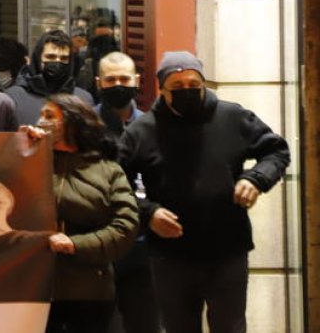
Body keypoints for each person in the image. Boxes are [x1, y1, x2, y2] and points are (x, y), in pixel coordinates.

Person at [118, 51, 289, 333]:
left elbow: (277, 151)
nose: (187, 92)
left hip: (227, 250)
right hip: (170, 256)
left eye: (193, 86)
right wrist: (148, 212)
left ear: (203, 84)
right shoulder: (141, 131)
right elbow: (116, 183)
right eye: (178, 88)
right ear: (163, 90)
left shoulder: (233, 117)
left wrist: (256, 179)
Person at [27, 94, 139, 333]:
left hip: (89, 293)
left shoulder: (108, 171)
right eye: (41, 115)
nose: (40, 120)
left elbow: (125, 228)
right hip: (37, 291)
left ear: (73, 123)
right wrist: (19, 148)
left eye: (50, 116)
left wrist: (75, 245)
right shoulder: (33, 162)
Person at [91, 52, 160, 333]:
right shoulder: (85, 126)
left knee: (145, 322)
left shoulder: (153, 125)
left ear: (137, 81)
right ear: (98, 82)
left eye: (124, 79)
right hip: (100, 243)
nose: (118, 84)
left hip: (145, 245)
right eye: (110, 80)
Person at [6, 30, 95, 126]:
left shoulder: (83, 99)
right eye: (51, 57)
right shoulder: (13, 97)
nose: (57, 62)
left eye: (64, 58)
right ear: (38, 59)